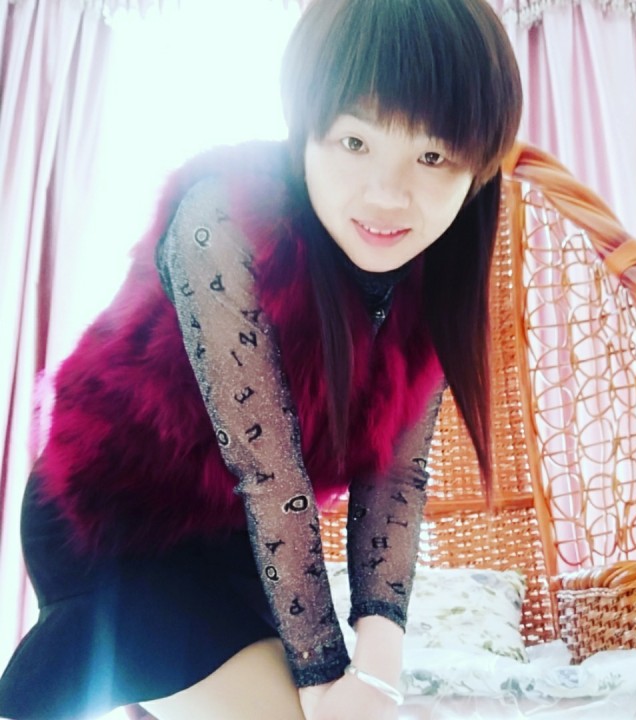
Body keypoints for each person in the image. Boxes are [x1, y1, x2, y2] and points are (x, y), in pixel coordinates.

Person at [0, 0, 522, 717]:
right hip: (111, 524)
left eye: (432, 156)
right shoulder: (227, 214)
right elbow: (268, 474)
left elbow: (397, 478)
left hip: (239, 544)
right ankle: (94, 645)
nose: (387, 195)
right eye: (355, 141)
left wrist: (377, 677)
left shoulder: (439, 270)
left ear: (478, 166)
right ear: (307, 127)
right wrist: (325, 677)